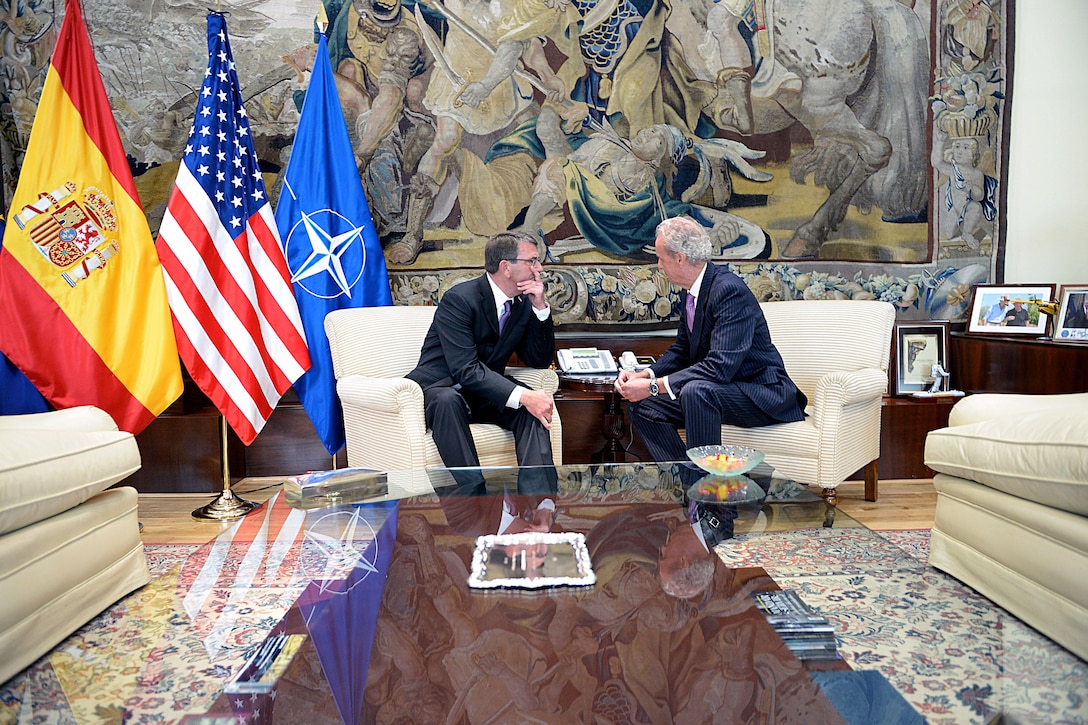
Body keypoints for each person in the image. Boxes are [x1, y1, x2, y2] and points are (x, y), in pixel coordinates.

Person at [614, 216, 806, 462]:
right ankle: (685, 479)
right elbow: (682, 350)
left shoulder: (728, 291)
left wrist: (654, 387)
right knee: (643, 407)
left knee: (696, 391)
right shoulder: (691, 292)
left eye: (661, 258)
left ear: (680, 258)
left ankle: (707, 496)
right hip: (720, 391)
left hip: (761, 394)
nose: (659, 266)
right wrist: (646, 375)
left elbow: (719, 367)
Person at [405, 231, 557, 478]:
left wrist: (540, 308)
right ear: (506, 267)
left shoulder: (522, 304)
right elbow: (464, 369)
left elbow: (537, 360)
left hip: (483, 393)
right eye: (532, 261)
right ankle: (476, 500)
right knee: (448, 402)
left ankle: (540, 502)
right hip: (442, 387)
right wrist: (523, 395)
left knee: (532, 408)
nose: (539, 269)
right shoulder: (460, 299)